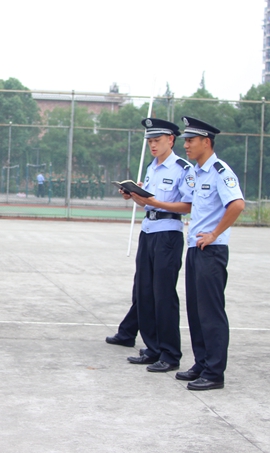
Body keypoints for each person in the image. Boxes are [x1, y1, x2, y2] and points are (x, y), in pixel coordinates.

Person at [118, 118, 195, 373]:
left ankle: (170, 354)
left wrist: (156, 203)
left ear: (171, 140)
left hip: (167, 235)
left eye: (157, 140)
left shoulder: (182, 168)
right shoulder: (152, 167)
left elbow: (188, 205)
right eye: (150, 141)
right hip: (148, 231)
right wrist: (134, 196)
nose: (152, 145)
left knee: (164, 295)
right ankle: (152, 349)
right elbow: (147, 202)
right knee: (144, 292)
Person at [175, 116, 245, 390]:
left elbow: (237, 205)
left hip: (211, 251)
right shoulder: (197, 172)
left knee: (210, 312)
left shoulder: (219, 171)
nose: (186, 145)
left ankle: (214, 372)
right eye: (185, 141)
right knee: (195, 311)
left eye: (191, 140)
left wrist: (215, 233)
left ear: (206, 142)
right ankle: (202, 363)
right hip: (195, 248)